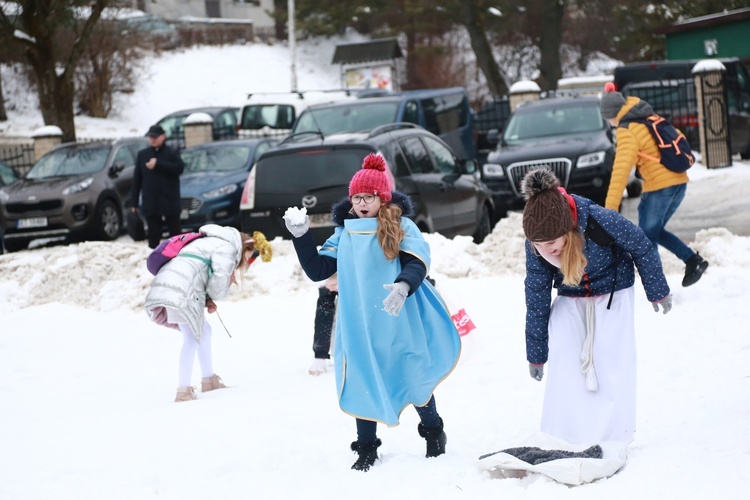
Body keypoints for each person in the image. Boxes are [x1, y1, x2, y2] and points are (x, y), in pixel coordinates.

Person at [284, 153, 461, 472]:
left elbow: (416, 262)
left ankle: (434, 432)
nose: (362, 202)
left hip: (399, 318)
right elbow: (318, 270)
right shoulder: (344, 233)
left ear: (382, 198)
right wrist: (301, 237)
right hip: (359, 322)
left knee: (413, 374)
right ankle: (366, 448)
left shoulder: (402, 225)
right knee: (362, 379)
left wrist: (403, 286)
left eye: (369, 196)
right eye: (357, 197)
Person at [522, 168, 671, 445]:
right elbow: (537, 298)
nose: (546, 249)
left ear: (566, 229)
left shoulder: (596, 219)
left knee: (610, 360)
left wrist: (657, 291)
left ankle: (613, 436)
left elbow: (639, 244)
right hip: (570, 293)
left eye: (552, 242)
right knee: (565, 354)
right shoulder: (537, 245)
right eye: (538, 245)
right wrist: (536, 355)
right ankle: (565, 434)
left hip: (612, 290)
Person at [600, 83, 709, 287]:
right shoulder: (647, 117)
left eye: (606, 117)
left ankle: (657, 285)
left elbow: (620, 171)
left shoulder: (626, 129)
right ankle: (692, 261)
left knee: (646, 237)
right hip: (678, 183)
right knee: (654, 232)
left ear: (610, 114)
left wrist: (610, 209)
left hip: (660, 188)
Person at [144, 224, 262, 402]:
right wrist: (221, 290)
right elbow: (218, 281)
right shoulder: (228, 247)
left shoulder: (211, 241)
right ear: (246, 246)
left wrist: (207, 300)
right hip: (179, 289)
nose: (246, 262)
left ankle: (209, 380)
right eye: (248, 257)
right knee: (192, 338)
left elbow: (198, 271)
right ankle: (183, 390)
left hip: (176, 285)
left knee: (204, 331)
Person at [131, 124, 185, 249]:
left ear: (163, 137)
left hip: (169, 201)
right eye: (151, 137)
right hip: (151, 202)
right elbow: (137, 180)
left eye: (156, 137)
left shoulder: (171, 152)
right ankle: (154, 261)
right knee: (153, 236)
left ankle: (178, 259)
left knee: (175, 236)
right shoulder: (143, 154)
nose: (153, 139)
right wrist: (134, 203)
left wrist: (158, 164)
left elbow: (179, 168)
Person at [309, 274, 337, 376]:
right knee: (325, 306)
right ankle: (321, 356)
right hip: (327, 268)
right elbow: (324, 310)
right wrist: (320, 354)